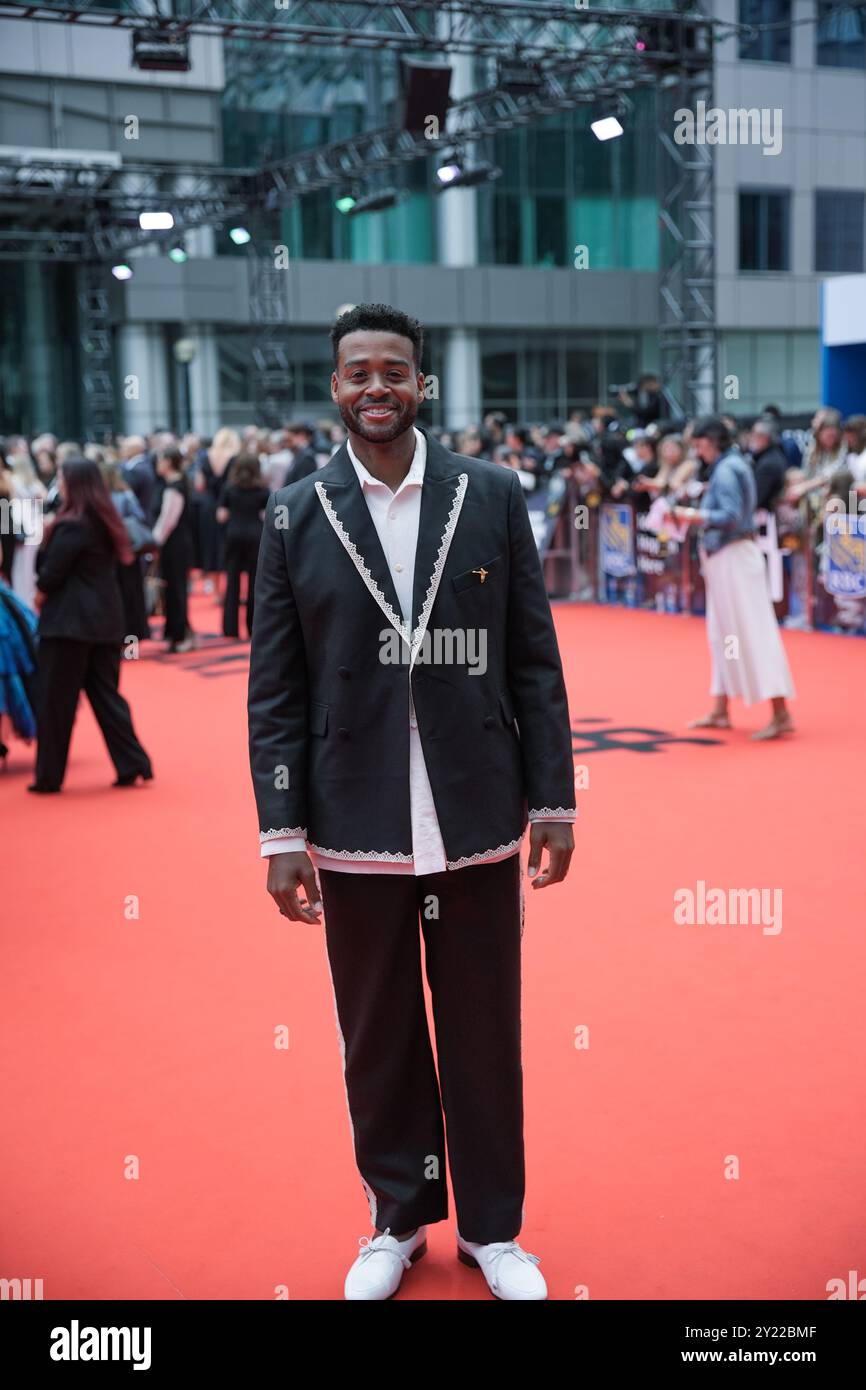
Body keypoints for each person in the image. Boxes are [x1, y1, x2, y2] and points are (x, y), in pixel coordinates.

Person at [247, 302, 575, 1302]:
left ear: (419, 383)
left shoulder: (489, 492)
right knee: (377, 1031)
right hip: (353, 823)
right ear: (335, 387)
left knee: (483, 1029)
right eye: (357, 372)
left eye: (394, 369)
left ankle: (491, 1228)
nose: (376, 386)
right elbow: (276, 685)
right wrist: (279, 830)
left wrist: (553, 802)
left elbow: (531, 659)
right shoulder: (293, 514)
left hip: (475, 812)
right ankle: (396, 1217)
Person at [30, 456, 153, 791]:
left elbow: (49, 574)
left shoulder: (73, 524)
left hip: (69, 624)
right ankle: (133, 763)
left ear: (74, 483)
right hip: (104, 621)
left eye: (61, 476)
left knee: (56, 701)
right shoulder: (105, 518)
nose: (59, 482)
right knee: (106, 695)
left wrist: (40, 594)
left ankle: (48, 777)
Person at [671, 417, 795, 741]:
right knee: (722, 634)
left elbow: (730, 516)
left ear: (711, 440)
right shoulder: (730, 465)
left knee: (751, 632)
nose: (697, 452)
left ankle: (780, 713)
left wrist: (692, 515)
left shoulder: (727, 469)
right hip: (729, 558)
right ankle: (721, 709)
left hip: (734, 557)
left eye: (698, 444)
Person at [216, 449, 270, 639]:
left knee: (233, 581)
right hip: (255, 536)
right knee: (255, 584)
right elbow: (266, 516)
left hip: (233, 535)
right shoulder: (263, 490)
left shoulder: (229, 488)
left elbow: (221, 516)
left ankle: (230, 628)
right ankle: (252, 627)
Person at [152, 445, 195, 653]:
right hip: (175, 542)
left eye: (160, 460)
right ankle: (177, 633)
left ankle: (182, 634)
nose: (157, 464)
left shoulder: (175, 486)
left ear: (168, 462)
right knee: (173, 588)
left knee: (177, 588)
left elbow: (168, 520)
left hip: (175, 543)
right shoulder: (174, 484)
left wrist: (154, 541)